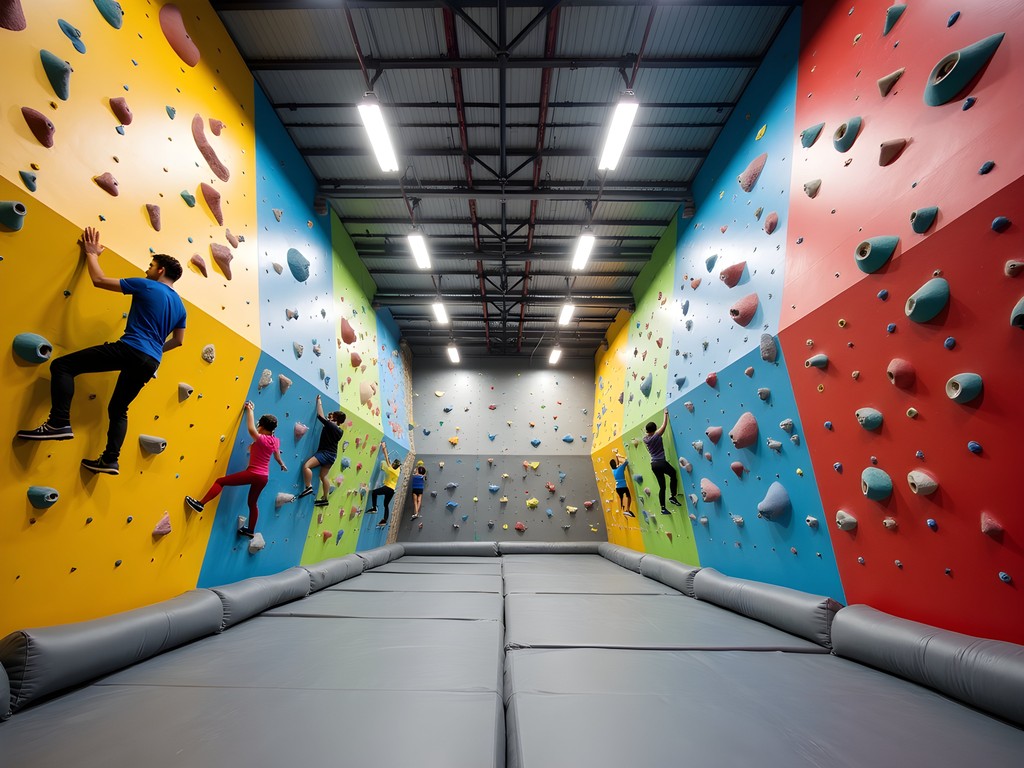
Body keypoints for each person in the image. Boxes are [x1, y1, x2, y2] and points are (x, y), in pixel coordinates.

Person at [16, 227, 186, 475]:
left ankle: (59, 422)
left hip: (131, 348)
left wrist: (92, 254)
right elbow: (179, 341)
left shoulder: (147, 286)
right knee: (119, 409)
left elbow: (99, 280)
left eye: (150, 265)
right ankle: (110, 460)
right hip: (151, 361)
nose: (146, 270)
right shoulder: (181, 307)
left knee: (62, 366)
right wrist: (154, 349)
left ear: (161, 270)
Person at [184, 402, 286, 538]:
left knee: (220, 481)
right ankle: (250, 531)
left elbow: (251, 429)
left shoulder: (261, 439)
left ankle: (200, 504)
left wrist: (250, 410)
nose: (257, 428)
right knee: (252, 503)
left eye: (259, 426)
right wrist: (281, 464)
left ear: (262, 426)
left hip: (253, 474)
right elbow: (277, 455)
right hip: (263, 477)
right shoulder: (275, 441)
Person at [297, 395, 344, 508]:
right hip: (332, 456)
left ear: (335, 419)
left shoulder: (330, 426)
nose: (330, 416)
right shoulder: (340, 431)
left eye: (332, 415)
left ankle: (308, 487)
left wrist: (319, 401)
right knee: (323, 476)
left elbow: (320, 415)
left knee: (306, 466)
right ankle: (325, 499)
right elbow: (325, 420)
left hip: (324, 453)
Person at [643, 409, 681, 515]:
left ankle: (663, 508)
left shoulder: (645, 439)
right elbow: (664, 426)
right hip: (661, 462)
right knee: (673, 473)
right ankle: (673, 496)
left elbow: (654, 431)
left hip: (654, 465)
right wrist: (665, 414)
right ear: (654, 429)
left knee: (662, 486)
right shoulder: (656, 436)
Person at [368, 441, 401, 528]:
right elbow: (391, 461)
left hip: (388, 488)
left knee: (374, 492)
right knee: (386, 505)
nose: (392, 463)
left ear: (394, 465)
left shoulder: (391, 469)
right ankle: (384, 520)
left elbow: (387, 458)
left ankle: (374, 508)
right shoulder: (398, 471)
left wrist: (384, 447)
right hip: (392, 490)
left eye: (393, 463)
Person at [610, 449, 636, 518]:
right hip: (623, 486)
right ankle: (627, 510)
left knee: (622, 498)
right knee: (628, 497)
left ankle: (624, 510)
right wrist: (621, 458)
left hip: (617, 487)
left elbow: (617, 465)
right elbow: (626, 462)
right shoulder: (620, 468)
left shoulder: (613, 470)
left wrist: (616, 456)